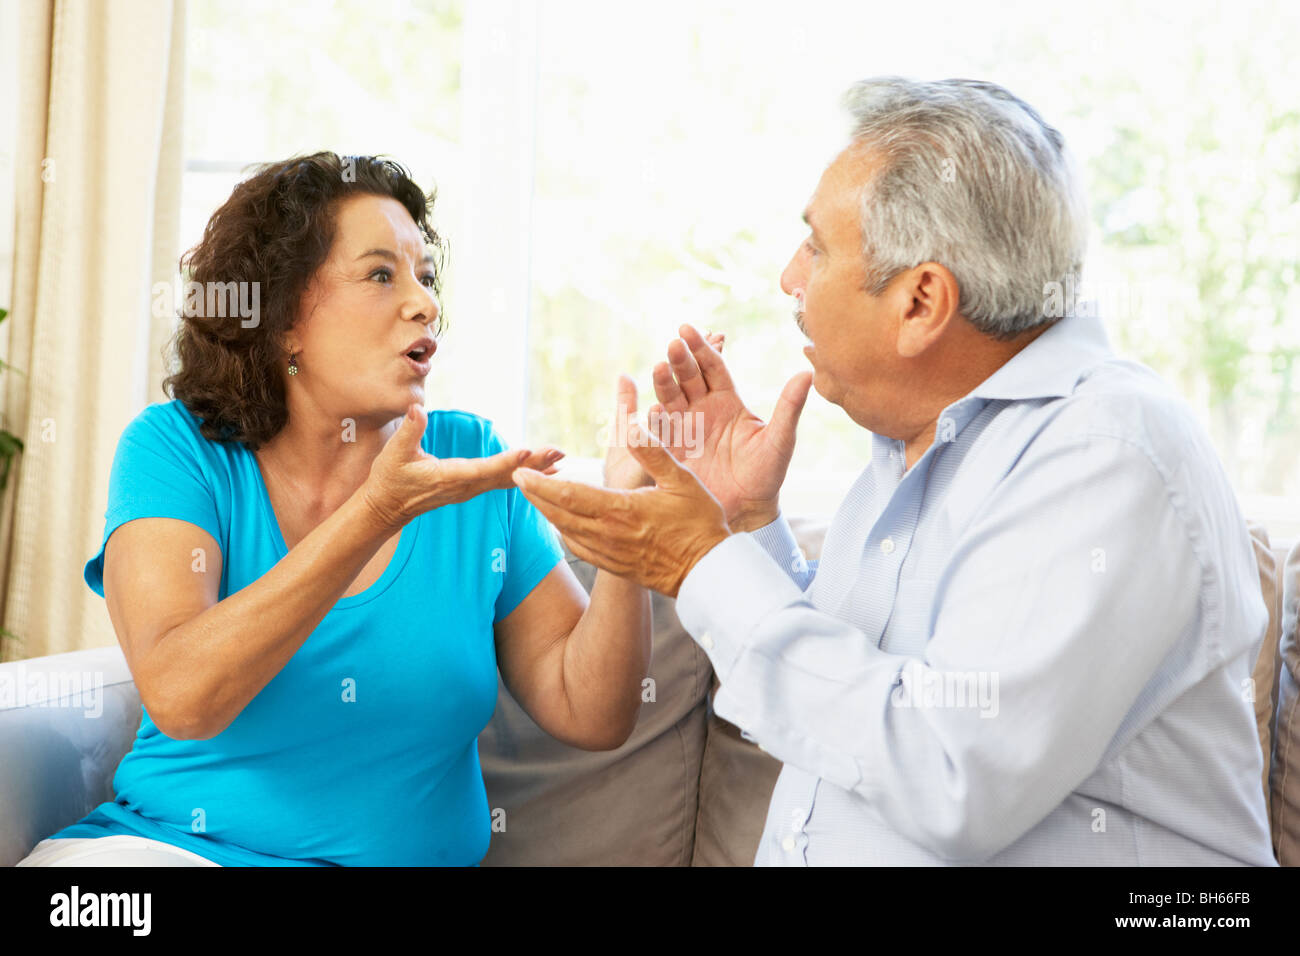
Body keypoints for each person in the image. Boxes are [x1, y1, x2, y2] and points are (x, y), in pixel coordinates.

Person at [513, 77, 1279, 865]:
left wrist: (699, 563)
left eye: (817, 246)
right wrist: (746, 525)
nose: (789, 277)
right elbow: (862, 692)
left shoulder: (1106, 452)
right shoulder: (920, 442)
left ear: (921, 302)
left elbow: (951, 776)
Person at [18, 153, 653, 867]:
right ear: (283, 317)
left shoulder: (469, 461)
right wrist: (376, 513)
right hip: (170, 855)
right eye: (381, 274)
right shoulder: (178, 451)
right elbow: (183, 696)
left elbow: (591, 710)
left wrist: (629, 526)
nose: (424, 303)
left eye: (426, 276)